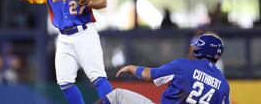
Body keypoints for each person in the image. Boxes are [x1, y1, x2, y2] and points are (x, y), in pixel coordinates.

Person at [12, 0, 112, 104]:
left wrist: (88, 2)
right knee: (64, 82)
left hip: (85, 33)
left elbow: (103, 1)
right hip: (64, 37)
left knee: (98, 78)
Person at [95, 32, 230, 104]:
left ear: (200, 49)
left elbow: (148, 75)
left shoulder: (183, 66)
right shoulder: (223, 84)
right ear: (218, 56)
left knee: (117, 95)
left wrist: (131, 68)